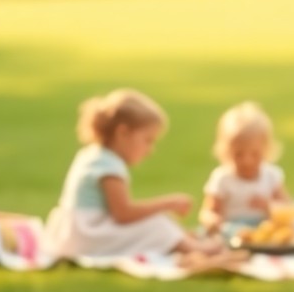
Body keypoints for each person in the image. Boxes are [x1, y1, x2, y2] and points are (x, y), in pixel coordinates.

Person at [44, 88, 219, 257]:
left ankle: (187, 241)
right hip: (88, 234)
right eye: (147, 140)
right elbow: (123, 214)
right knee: (156, 224)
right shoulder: (109, 166)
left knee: (157, 220)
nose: (150, 150)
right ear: (123, 133)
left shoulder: (94, 154)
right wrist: (168, 203)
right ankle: (195, 248)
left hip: (77, 232)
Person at [200, 101, 294, 236]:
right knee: (214, 233)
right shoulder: (222, 178)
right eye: (238, 154)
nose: (247, 161)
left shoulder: (270, 175)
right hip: (234, 229)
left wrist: (268, 206)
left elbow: (288, 209)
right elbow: (208, 211)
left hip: (266, 229)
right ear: (226, 151)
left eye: (255, 154)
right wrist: (211, 220)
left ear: (266, 149)